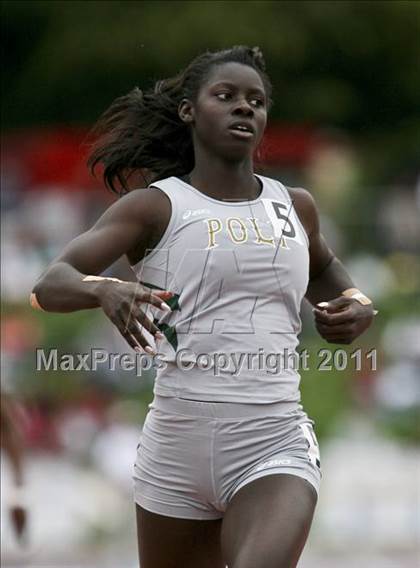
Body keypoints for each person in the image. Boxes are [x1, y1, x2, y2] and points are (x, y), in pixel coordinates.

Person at [31, 46, 375, 568]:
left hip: (272, 439)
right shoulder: (155, 206)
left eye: (256, 101)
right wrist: (103, 288)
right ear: (190, 110)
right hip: (176, 448)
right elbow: (49, 285)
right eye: (227, 96)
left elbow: (328, 273)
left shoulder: (293, 205)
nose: (245, 108)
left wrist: (356, 304)